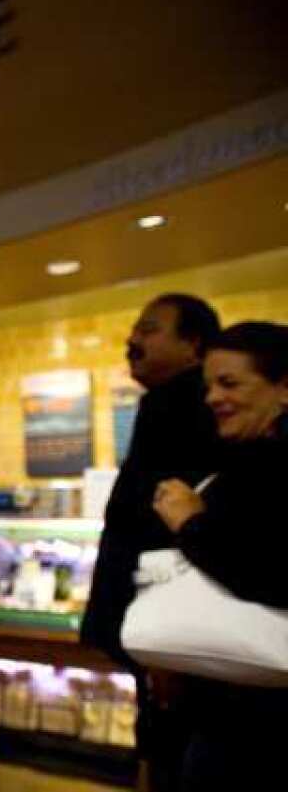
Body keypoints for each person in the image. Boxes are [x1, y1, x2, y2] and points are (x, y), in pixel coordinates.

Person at [80, 293, 222, 792]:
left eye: (150, 329)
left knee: (172, 750)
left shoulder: (191, 408)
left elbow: (174, 531)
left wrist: (170, 647)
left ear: (194, 345)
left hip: (171, 637)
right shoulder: (163, 403)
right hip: (157, 635)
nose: (133, 341)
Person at [152, 321, 288, 790]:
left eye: (229, 383)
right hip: (224, 708)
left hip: (262, 728)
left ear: (284, 388)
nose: (212, 398)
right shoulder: (243, 456)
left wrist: (191, 522)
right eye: (210, 384)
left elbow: (270, 572)